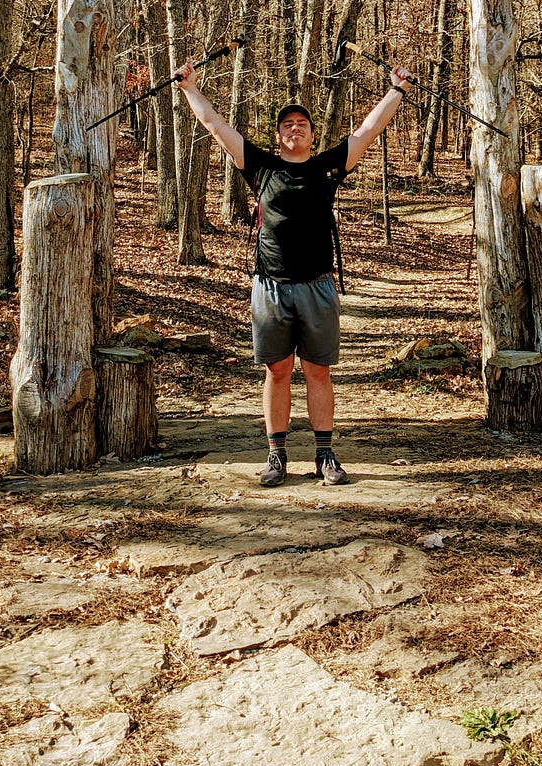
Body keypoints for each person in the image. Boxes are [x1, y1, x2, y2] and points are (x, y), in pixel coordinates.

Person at [174, 58, 412, 487]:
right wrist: (191, 87)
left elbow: (367, 131)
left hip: (318, 285)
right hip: (271, 287)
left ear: (312, 134)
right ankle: (276, 454)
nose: (294, 129)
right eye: (287, 125)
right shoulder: (261, 167)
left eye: (301, 123)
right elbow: (215, 126)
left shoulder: (327, 168)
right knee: (277, 370)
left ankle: (324, 454)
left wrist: (396, 90)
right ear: (279, 135)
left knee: (318, 370)